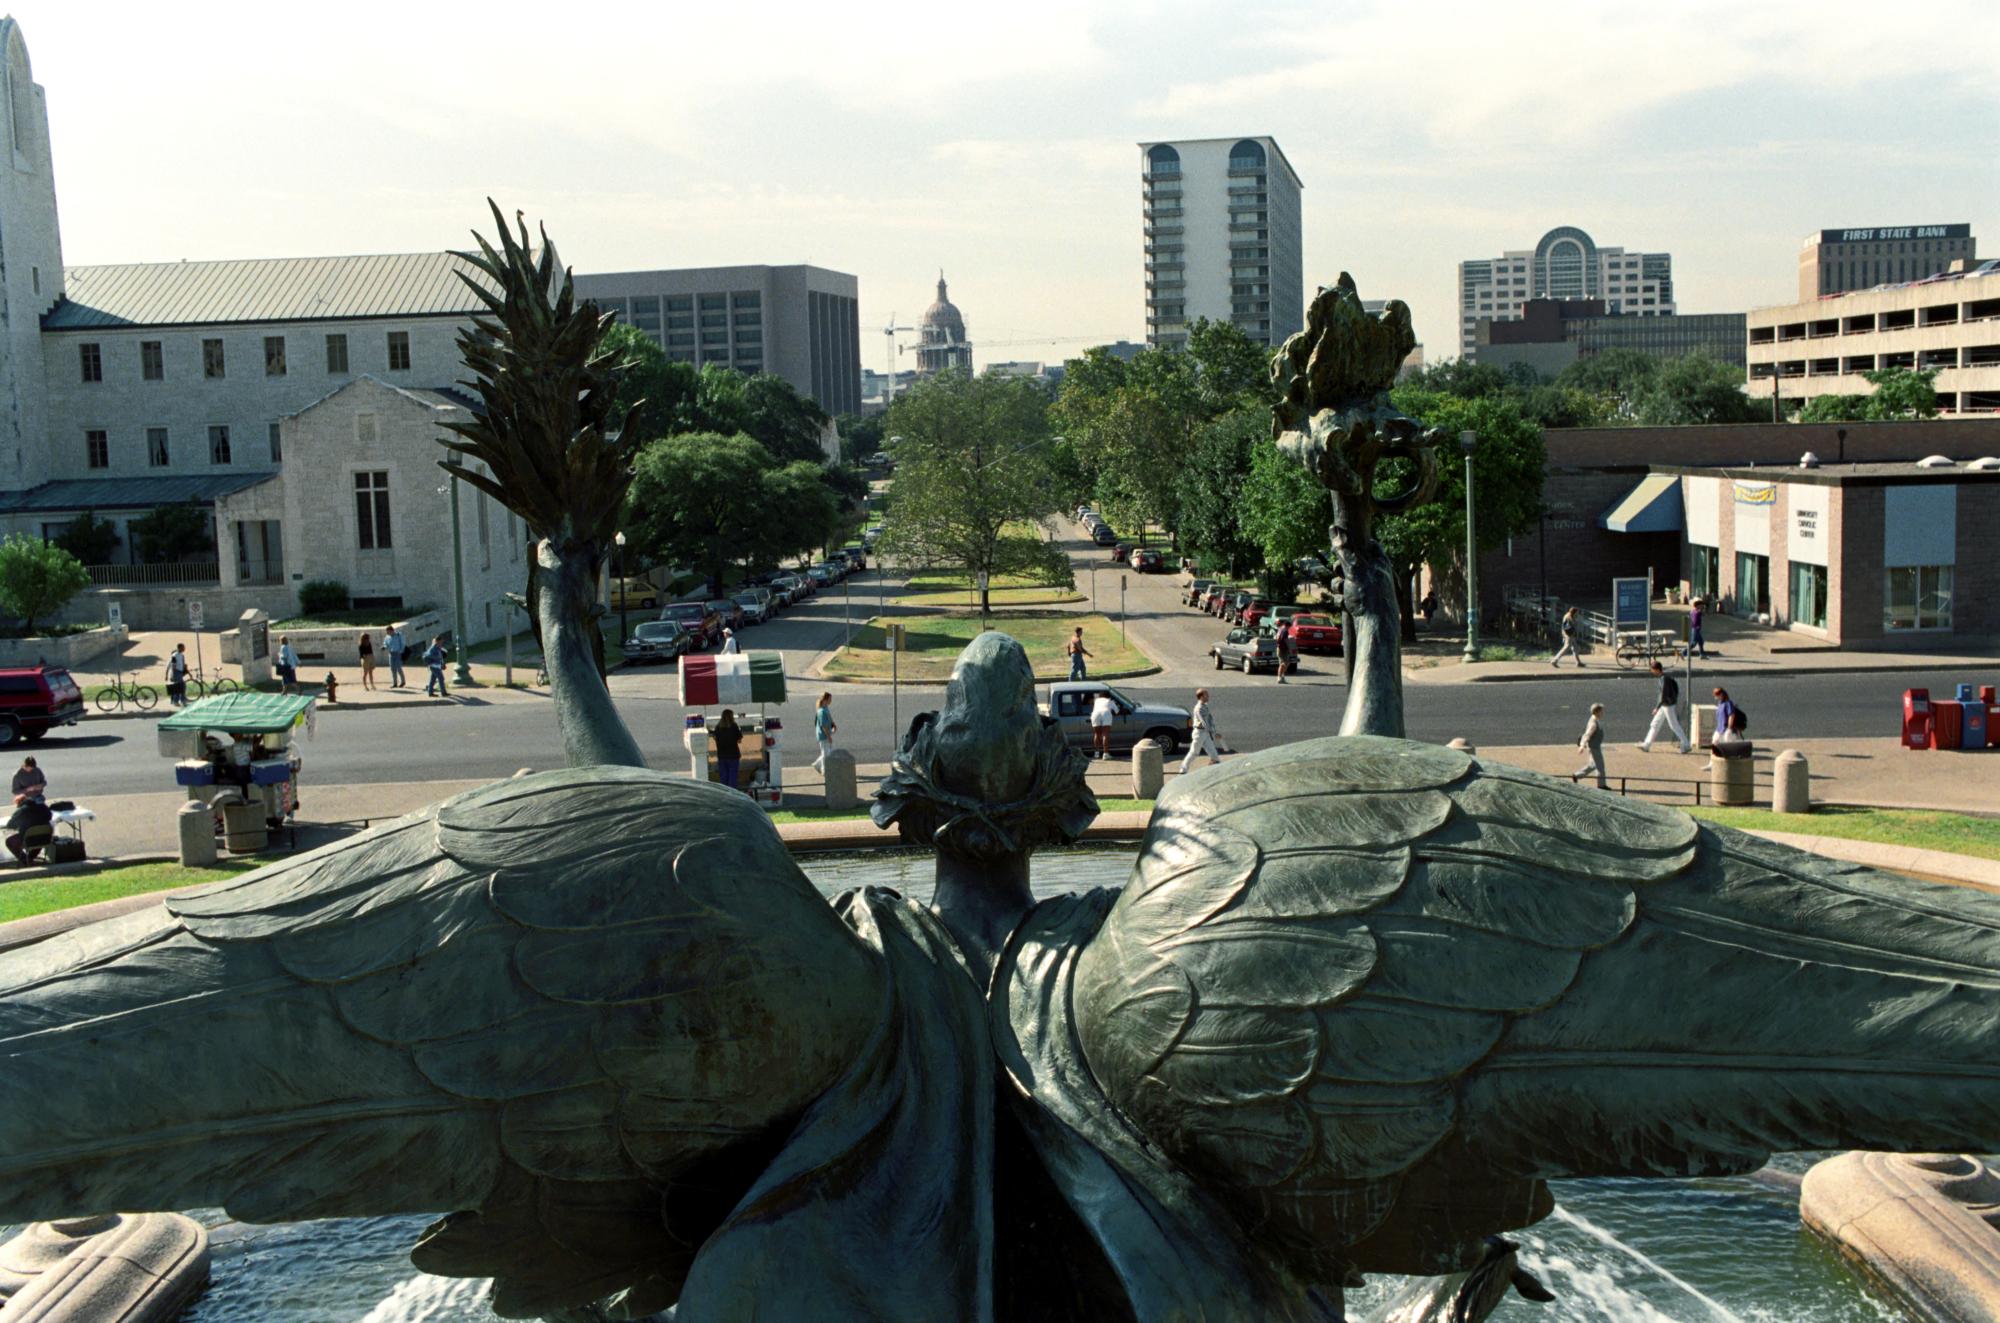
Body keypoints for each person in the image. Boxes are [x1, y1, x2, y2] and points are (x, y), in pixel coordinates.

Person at [1636, 660, 1690, 754]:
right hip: (1665, 705)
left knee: (1674, 726)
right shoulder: (1663, 678)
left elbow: (1663, 694)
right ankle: (1647, 744)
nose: (1651, 671)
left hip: (1667, 705)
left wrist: (1657, 707)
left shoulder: (1664, 679)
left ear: (1657, 670)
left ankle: (1686, 744)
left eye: (1652, 670)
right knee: (1655, 724)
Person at [1179, 688, 1223, 773]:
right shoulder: (1199, 708)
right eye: (1206, 695)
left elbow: (1210, 720)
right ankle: (1183, 769)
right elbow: (1204, 722)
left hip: (1205, 733)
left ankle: (1216, 767)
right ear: (1201, 696)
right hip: (1199, 734)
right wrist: (1214, 733)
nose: (1208, 696)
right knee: (1194, 753)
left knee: (1213, 752)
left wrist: (1214, 731)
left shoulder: (1205, 706)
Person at [1572, 702, 1608, 789]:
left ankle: (1577, 775)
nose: (1603, 713)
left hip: (1594, 746)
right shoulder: (1594, 724)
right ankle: (1601, 785)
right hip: (1594, 747)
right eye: (1602, 711)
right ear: (1597, 712)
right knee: (1600, 766)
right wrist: (1582, 745)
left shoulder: (1595, 720)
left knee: (1593, 765)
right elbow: (1587, 735)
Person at [712, 709, 744, 791]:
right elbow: (739, 739)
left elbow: (714, 737)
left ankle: (725, 793)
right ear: (731, 717)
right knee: (733, 776)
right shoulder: (734, 726)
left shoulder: (718, 727)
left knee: (723, 776)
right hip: (733, 755)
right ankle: (733, 793)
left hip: (722, 755)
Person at [812, 693, 837, 774]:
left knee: (828, 752)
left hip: (826, 733)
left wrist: (833, 724)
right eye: (830, 699)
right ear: (825, 700)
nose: (831, 701)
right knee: (825, 753)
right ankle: (824, 770)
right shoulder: (821, 711)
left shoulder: (825, 708)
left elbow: (829, 718)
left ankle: (817, 764)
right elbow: (823, 726)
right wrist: (828, 736)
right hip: (823, 735)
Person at [1089, 691, 1116, 761]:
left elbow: (1091, 704)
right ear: (1108, 696)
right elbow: (1117, 711)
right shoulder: (1110, 701)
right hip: (1106, 713)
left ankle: (1096, 753)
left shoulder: (1096, 700)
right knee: (1105, 734)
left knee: (1097, 734)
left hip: (1095, 714)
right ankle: (1105, 754)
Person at [1711, 687, 1737, 751]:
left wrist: (1729, 728)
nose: (1716, 697)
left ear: (1721, 694)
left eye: (1717, 695)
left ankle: (1729, 758)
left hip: (1727, 729)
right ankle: (1715, 758)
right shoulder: (1720, 703)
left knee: (1728, 745)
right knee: (1715, 741)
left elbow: (1731, 715)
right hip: (1720, 728)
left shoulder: (1728, 703)